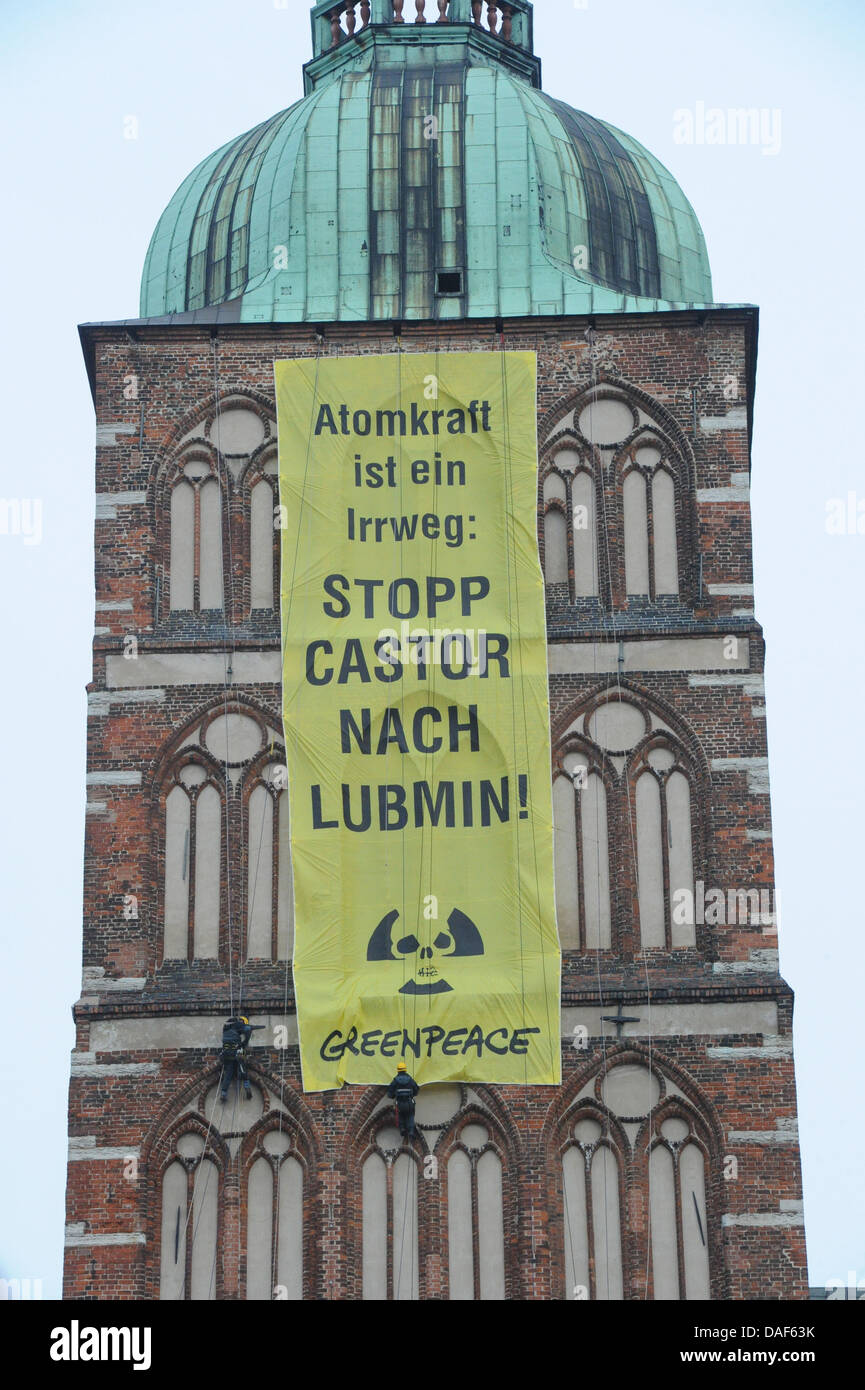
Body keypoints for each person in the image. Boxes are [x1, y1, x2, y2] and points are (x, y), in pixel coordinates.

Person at [219, 1015, 263, 1103]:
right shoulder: (241, 1025)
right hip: (236, 1051)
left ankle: (223, 1093)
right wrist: (244, 1043)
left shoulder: (227, 1026)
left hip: (226, 1053)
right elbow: (247, 1030)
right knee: (243, 1069)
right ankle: (247, 1088)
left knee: (228, 1073)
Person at [387, 1062, 419, 1140]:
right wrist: (413, 1094)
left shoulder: (395, 1080)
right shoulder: (410, 1079)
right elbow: (416, 1089)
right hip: (409, 1102)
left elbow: (390, 1093)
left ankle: (402, 1129)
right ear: (405, 1070)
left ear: (398, 1070)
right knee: (410, 1115)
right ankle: (411, 1131)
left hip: (400, 1103)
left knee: (401, 1115)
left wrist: (393, 1096)